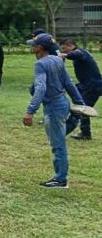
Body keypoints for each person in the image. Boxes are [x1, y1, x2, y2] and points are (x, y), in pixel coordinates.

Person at [23, 33, 85, 189]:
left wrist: (30, 111)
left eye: (34, 44)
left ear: (40, 47)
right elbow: (68, 83)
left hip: (54, 107)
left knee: (58, 145)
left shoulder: (41, 64)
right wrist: (79, 103)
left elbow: (40, 88)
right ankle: (73, 121)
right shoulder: (57, 60)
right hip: (63, 104)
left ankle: (60, 179)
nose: (32, 46)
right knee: (58, 138)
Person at [60, 38, 102, 140]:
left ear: (71, 46)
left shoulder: (81, 52)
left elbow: (77, 54)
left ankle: (68, 132)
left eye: (64, 49)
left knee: (81, 109)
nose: (63, 51)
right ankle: (85, 133)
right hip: (87, 86)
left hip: (92, 86)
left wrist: (65, 55)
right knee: (83, 108)